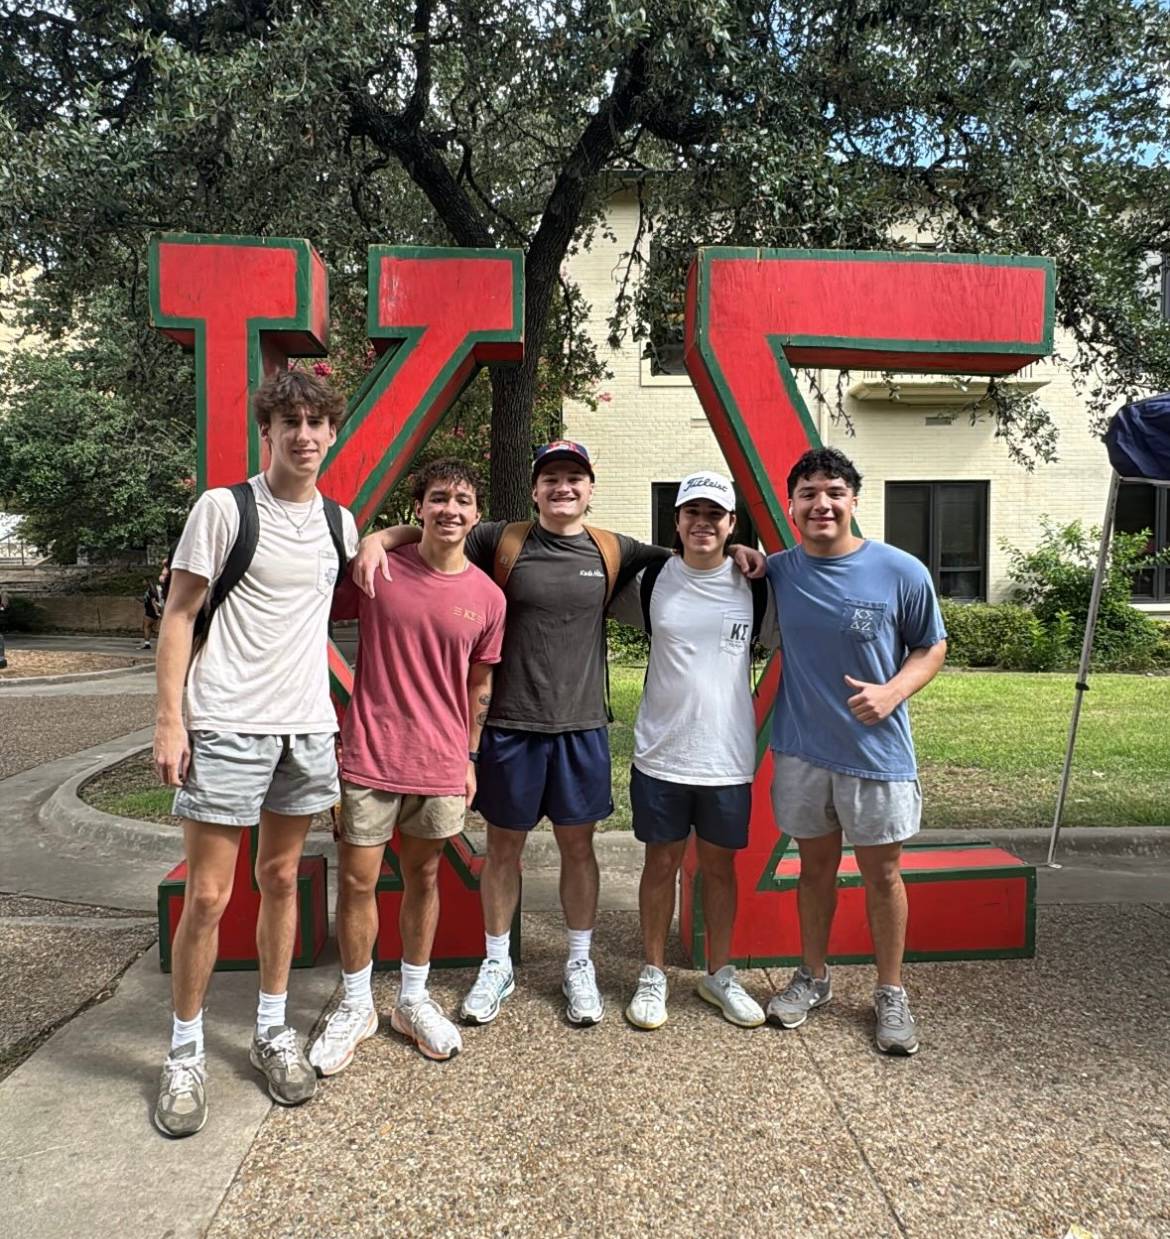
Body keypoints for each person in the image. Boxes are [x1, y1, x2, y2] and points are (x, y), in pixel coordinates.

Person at [354, 441, 766, 1028]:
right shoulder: (501, 539)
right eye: (551, 479)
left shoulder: (614, 548)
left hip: (581, 728)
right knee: (504, 851)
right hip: (509, 726)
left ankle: (579, 962)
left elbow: (700, 553)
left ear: (590, 489)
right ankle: (497, 963)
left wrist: (751, 554)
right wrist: (378, 538)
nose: (563, 488)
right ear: (535, 489)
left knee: (580, 849)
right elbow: (436, 528)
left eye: (574, 478)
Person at [151, 369, 358, 1137]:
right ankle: (184, 1051)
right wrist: (169, 719)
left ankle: (272, 1030)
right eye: (290, 421)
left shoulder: (341, 524)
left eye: (317, 421)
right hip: (227, 723)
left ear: (332, 433)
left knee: (280, 880)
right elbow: (179, 615)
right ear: (265, 431)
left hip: (304, 729)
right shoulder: (223, 509)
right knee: (208, 896)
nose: (304, 434)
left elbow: (351, 587)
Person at [308, 459, 505, 1072]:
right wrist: (377, 538)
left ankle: (412, 1000)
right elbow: (308, 607)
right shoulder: (378, 571)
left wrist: (470, 756)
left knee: (424, 879)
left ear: (476, 515)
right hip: (370, 753)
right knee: (359, 882)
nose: (451, 509)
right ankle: (359, 1003)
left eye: (463, 500)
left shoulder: (489, 597)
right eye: (439, 497)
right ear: (418, 507)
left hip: (442, 760)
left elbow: (480, 685)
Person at [763, 447, 947, 1055]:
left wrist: (894, 691)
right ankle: (812, 977)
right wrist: (747, 559)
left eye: (834, 492)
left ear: (853, 501)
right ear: (791, 507)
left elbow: (931, 647)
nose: (822, 504)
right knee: (813, 870)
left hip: (876, 754)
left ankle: (890, 992)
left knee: (883, 873)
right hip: (802, 751)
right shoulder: (781, 570)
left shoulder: (901, 571)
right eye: (809, 493)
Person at [609, 471, 778, 1031]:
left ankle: (719, 973)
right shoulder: (652, 578)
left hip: (727, 755)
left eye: (715, 515)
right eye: (692, 513)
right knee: (660, 863)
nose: (702, 523)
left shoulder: (756, 584)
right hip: (661, 751)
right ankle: (653, 973)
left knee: (720, 868)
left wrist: (759, 560)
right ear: (676, 522)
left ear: (731, 524)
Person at [142, 577, 164, 648]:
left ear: (147, 581)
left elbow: (153, 602)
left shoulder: (151, 590)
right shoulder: (153, 590)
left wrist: (157, 612)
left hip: (151, 611)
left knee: (146, 627)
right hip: (152, 611)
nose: (143, 582)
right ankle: (147, 643)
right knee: (149, 627)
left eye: (144, 580)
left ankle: (147, 644)